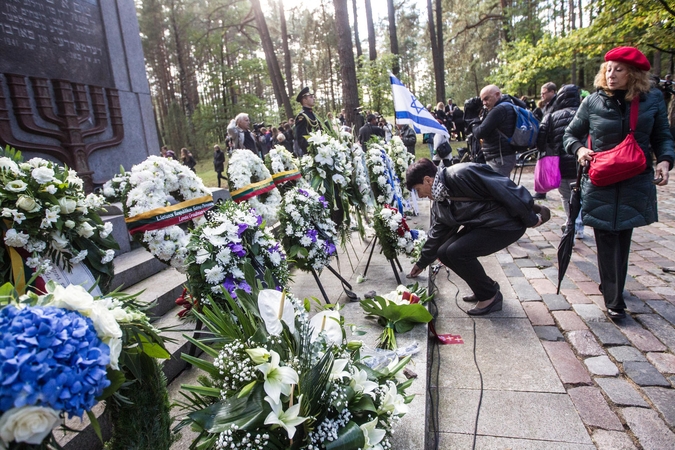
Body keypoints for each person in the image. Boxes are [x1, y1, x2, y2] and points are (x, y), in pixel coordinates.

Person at [564, 46, 674, 320]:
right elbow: (570, 134)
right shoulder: (592, 102)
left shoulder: (652, 100)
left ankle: (613, 286)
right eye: (608, 69)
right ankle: (614, 299)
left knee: (623, 233)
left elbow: (663, 136)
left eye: (618, 69)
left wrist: (665, 161)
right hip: (601, 179)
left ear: (633, 74)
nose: (611, 74)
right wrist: (579, 150)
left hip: (635, 179)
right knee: (605, 235)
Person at [406, 158, 549, 315]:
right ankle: (486, 287)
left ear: (427, 180)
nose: (419, 196)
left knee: (457, 252)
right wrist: (422, 262)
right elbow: (438, 234)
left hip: (506, 224)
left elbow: (505, 189)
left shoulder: (461, 174)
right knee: (443, 252)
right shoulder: (441, 200)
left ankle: (489, 297)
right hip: (484, 225)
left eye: (418, 190)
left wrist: (531, 219)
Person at [537, 84, 584, 237]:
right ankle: (577, 225)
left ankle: (572, 224)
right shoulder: (585, 113)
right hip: (582, 162)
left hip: (560, 163)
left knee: (566, 195)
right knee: (581, 194)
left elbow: (540, 140)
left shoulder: (551, 116)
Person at [473, 85, 526, 177]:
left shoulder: (499, 110)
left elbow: (479, 132)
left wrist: (474, 121)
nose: (484, 103)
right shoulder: (508, 105)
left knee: (499, 189)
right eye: (482, 100)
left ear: (497, 95)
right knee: (501, 187)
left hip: (499, 157)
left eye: (486, 99)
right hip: (504, 155)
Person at [295, 87, 325, 155]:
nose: (314, 99)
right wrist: (310, 151)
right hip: (311, 152)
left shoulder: (313, 114)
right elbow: (301, 139)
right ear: (305, 100)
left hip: (320, 149)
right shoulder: (302, 116)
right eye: (311, 97)